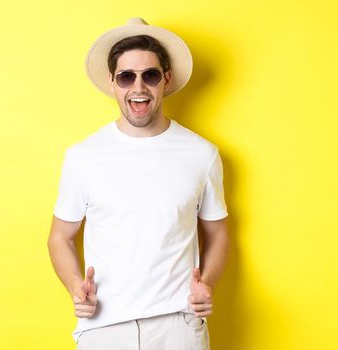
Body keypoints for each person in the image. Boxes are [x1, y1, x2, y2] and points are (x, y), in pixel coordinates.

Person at [47, 17, 229, 349]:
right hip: (103, 326)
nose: (139, 87)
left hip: (178, 325)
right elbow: (60, 237)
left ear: (166, 79)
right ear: (113, 82)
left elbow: (218, 233)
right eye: (127, 76)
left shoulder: (202, 154)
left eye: (150, 75)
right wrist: (76, 286)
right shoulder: (82, 156)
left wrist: (207, 284)